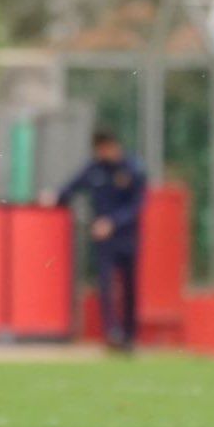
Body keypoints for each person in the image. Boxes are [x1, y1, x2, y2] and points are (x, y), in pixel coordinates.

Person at [49, 130, 146, 350]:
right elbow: (72, 187)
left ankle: (130, 336)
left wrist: (112, 222)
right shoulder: (95, 169)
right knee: (106, 285)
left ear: (113, 146)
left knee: (130, 287)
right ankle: (112, 333)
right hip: (104, 240)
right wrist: (55, 197)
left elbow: (137, 205)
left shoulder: (133, 168)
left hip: (127, 237)